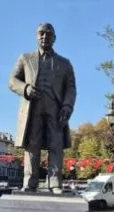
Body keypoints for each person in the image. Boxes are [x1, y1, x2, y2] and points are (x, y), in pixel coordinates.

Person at [8, 22, 77, 193]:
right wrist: (25, 88)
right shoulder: (25, 58)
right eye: (41, 33)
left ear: (54, 38)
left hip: (55, 108)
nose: (45, 36)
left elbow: (71, 88)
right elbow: (12, 81)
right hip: (33, 108)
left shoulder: (64, 63)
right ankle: (29, 182)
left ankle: (54, 183)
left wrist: (67, 105)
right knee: (32, 146)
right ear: (36, 36)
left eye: (49, 34)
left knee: (56, 145)